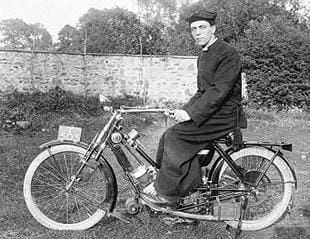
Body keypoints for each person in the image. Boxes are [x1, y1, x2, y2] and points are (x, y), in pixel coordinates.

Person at [142, 9, 246, 207]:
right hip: (213, 111)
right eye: (193, 29)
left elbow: (218, 92)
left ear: (213, 29)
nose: (197, 32)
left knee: (176, 137)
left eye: (202, 27)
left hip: (224, 114)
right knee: (168, 135)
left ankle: (168, 195)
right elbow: (201, 92)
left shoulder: (228, 53)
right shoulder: (203, 54)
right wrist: (182, 111)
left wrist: (191, 113)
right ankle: (179, 187)